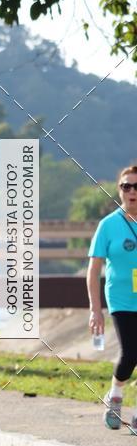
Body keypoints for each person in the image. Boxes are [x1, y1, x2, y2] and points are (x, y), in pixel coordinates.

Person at [87, 164, 137, 431]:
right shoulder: (108, 225)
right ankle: (115, 393)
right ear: (119, 191)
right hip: (121, 300)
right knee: (130, 353)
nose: (131, 191)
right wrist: (96, 310)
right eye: (125, 186)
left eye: (136, 186)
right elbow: (94, 270)